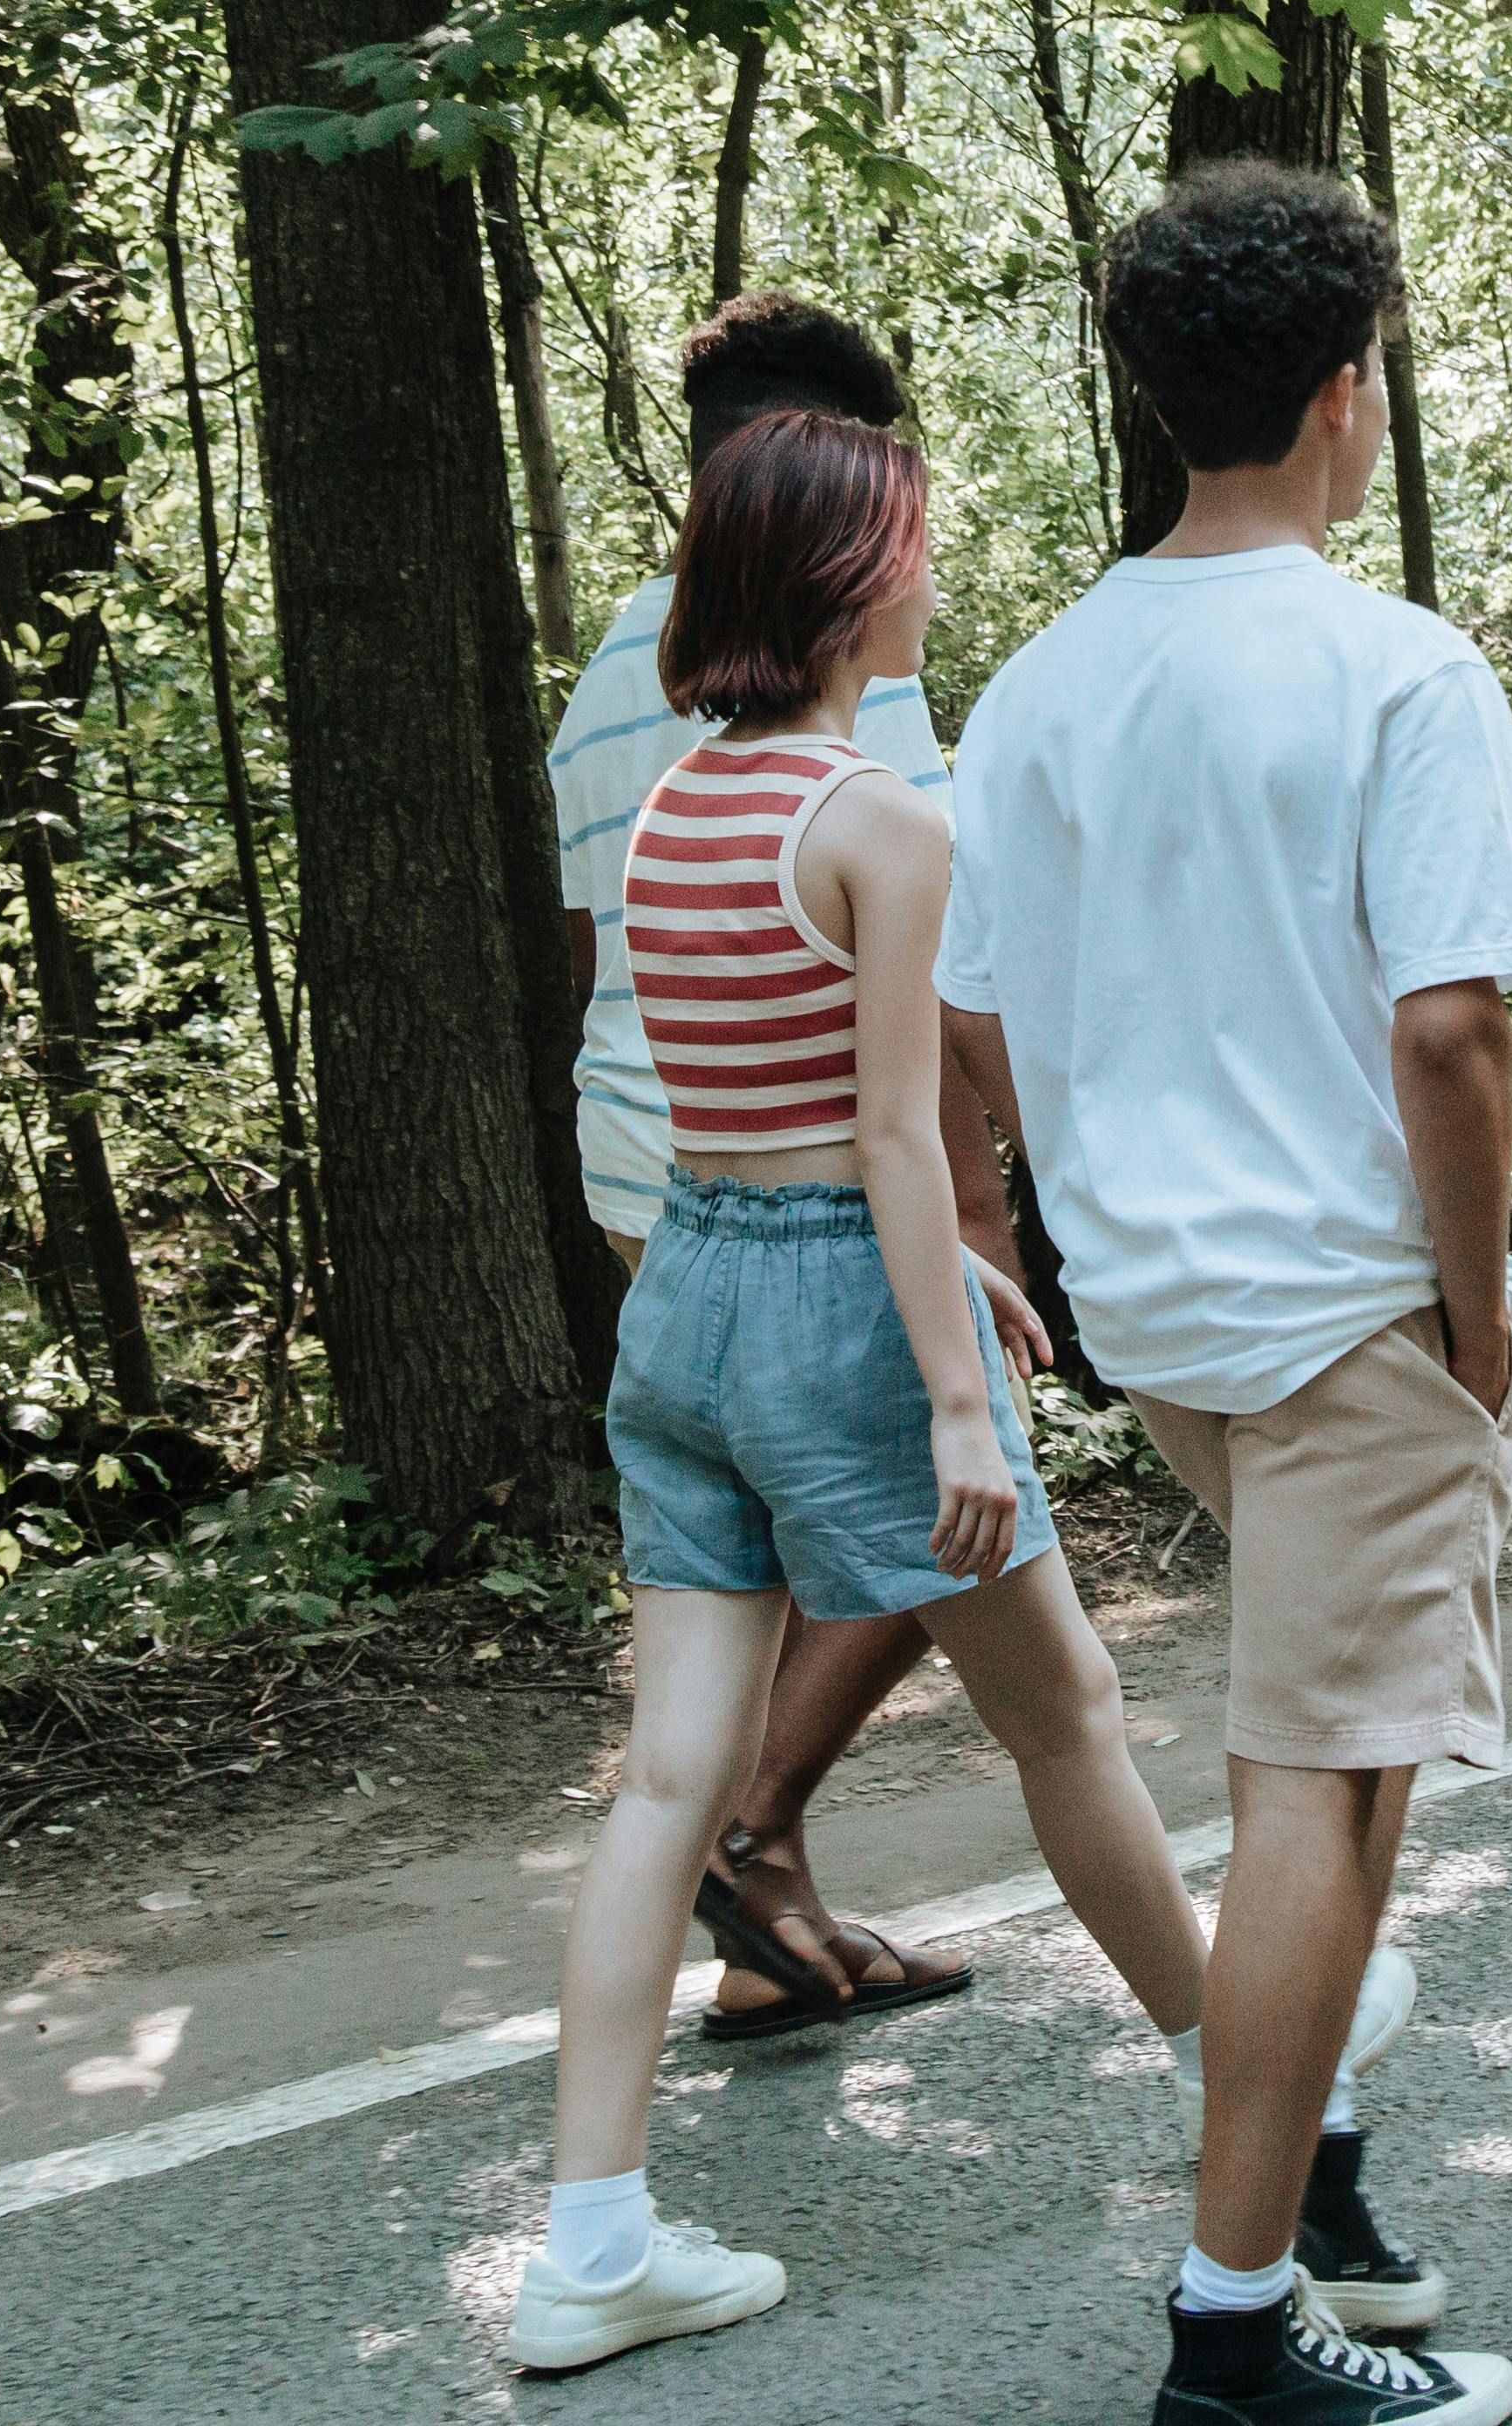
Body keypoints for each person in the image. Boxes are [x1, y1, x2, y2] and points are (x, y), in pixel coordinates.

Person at [939, 162, 1512, 2426]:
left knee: (1340, 1764)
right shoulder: (1397, 670)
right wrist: (1480, 1325)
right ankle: (1235, 2332)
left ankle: (1332, 2175)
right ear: (1341, 399)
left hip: (1169, 1325)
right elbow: (1452, 1038)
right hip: (1350, 1313)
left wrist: (1009, 1226)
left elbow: (972, 1020)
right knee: (1322, 1789)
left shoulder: (1036, 687)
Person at [510, 408, 1220, 2375]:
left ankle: (591, 2243)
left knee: (668, 1780)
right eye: (909, 545)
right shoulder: (889, 820)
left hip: (694, 1305)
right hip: (834, 1308)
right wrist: (959, 1397)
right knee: (1066, 1714)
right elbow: (898, 1144)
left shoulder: (673, 809)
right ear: (846, 580)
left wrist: (929, 1268)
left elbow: (748, 1105)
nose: (927, 570)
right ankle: (1267, 2091)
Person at [543, 293, 982, 2036]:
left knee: (765, 1549)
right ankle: (747, 1829)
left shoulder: (608, 679)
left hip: (650, 1164)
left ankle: (759, 1916)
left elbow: (600, 966)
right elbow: (921, 993)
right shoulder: (847, 674)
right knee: (941, 1527)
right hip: (810, 1159)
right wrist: (983, 1211)